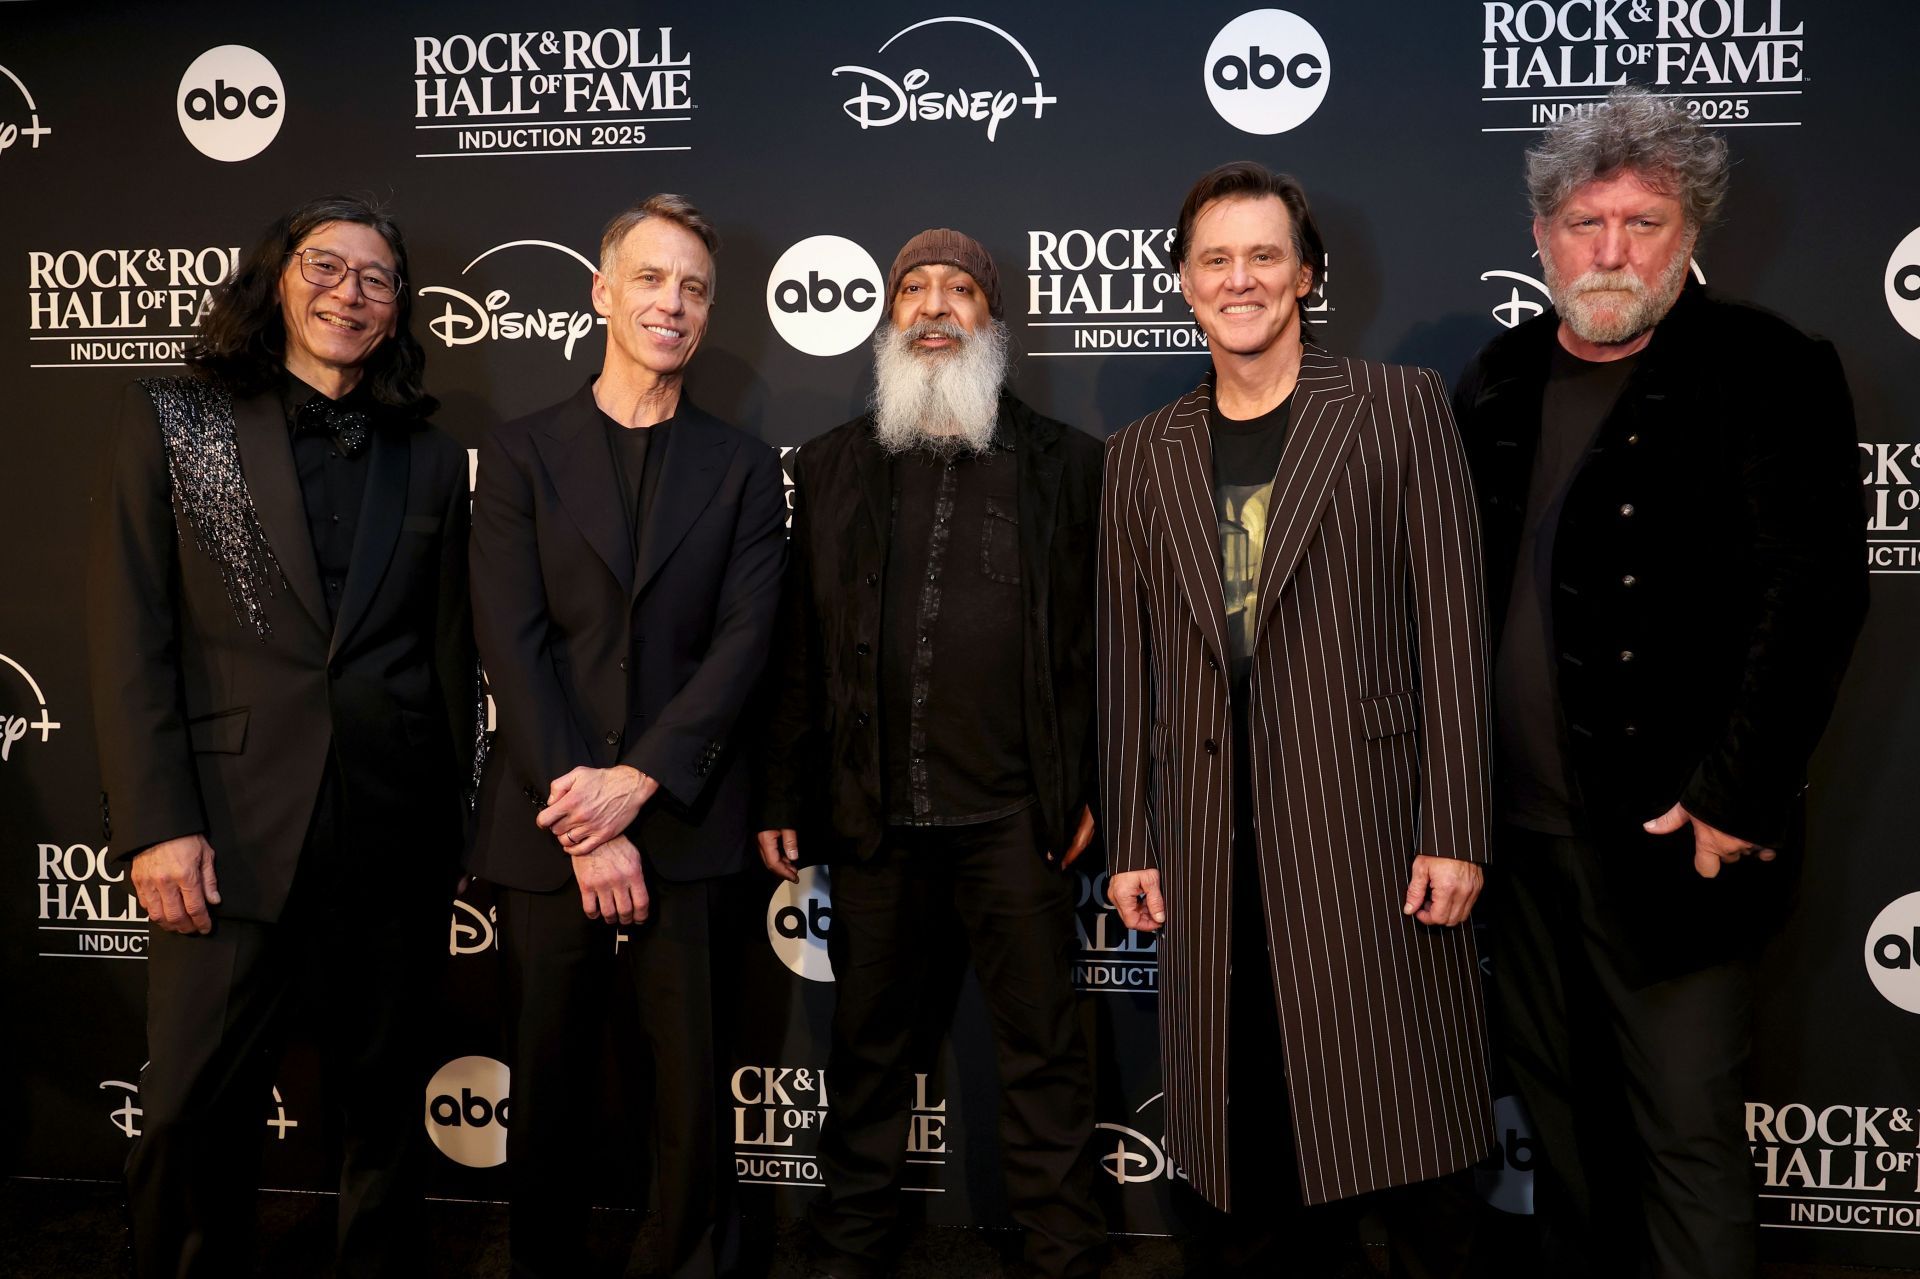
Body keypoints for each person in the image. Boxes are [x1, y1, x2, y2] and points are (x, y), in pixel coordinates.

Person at [1453, 87, 1867, 1279]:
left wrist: (1737, 797)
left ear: (1692, 236)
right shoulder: (1498, 377)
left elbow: (1816, 598)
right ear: (1541, 238)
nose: (1613, 250)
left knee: (1685, 1136)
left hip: (1678, 838)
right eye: (1586, 222)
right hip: (1519, 842)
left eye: (1645, 221)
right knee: (1567, 1134)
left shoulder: (1767, 367)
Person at [1100, 163, 1493, 1277]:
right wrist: (1132, 835)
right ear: (1182, 282)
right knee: (1244, 1130)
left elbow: (1453, 629)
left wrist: (1455, 821)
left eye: (1264, 255)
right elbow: (1127, 667)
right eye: (1215, 258)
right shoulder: (1140, 456)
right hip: (1208, 840)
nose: (1241, 279)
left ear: (1308, 274)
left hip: (1369, 825)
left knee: (1411, 1127)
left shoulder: (1397, 407)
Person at [88, 195, 473, 1277]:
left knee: (384, 1113)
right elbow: (132, 636)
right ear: (277, 280)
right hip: (227, 832)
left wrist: (453, 831)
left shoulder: (431, 456)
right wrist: (156, 825)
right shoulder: (185, 422)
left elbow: (446, 655)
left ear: (398, 311)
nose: (350, 291)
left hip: (391, 834)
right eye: (326, 266)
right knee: (187, 1109)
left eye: (377, 278)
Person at [756, 228, 1106, 1279]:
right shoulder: (829, 466)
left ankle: (1064, 1254)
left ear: (994, 322)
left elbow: (1100, 649)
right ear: (890, 315)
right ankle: (849, 1249)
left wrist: (1089, 786)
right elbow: (798, 649)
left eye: (962, 288)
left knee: (1046, 1058)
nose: (937, 304)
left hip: (1017, 820)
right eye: (915, 287)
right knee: (865, 1058)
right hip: (873, 821)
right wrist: (785, 786)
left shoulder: (1068, 466)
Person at [468, 193, 785, 1279]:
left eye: (694, 288)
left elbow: (744, 645)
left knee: (693, 1093)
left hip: (685, 822)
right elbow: (510, 642)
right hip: (549, 824)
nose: (673, 303)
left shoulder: (743, 467)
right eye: (652, 279)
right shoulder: (516, 455)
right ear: (603, 293)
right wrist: (585, 815)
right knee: (546, 1080)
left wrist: (638, 783)